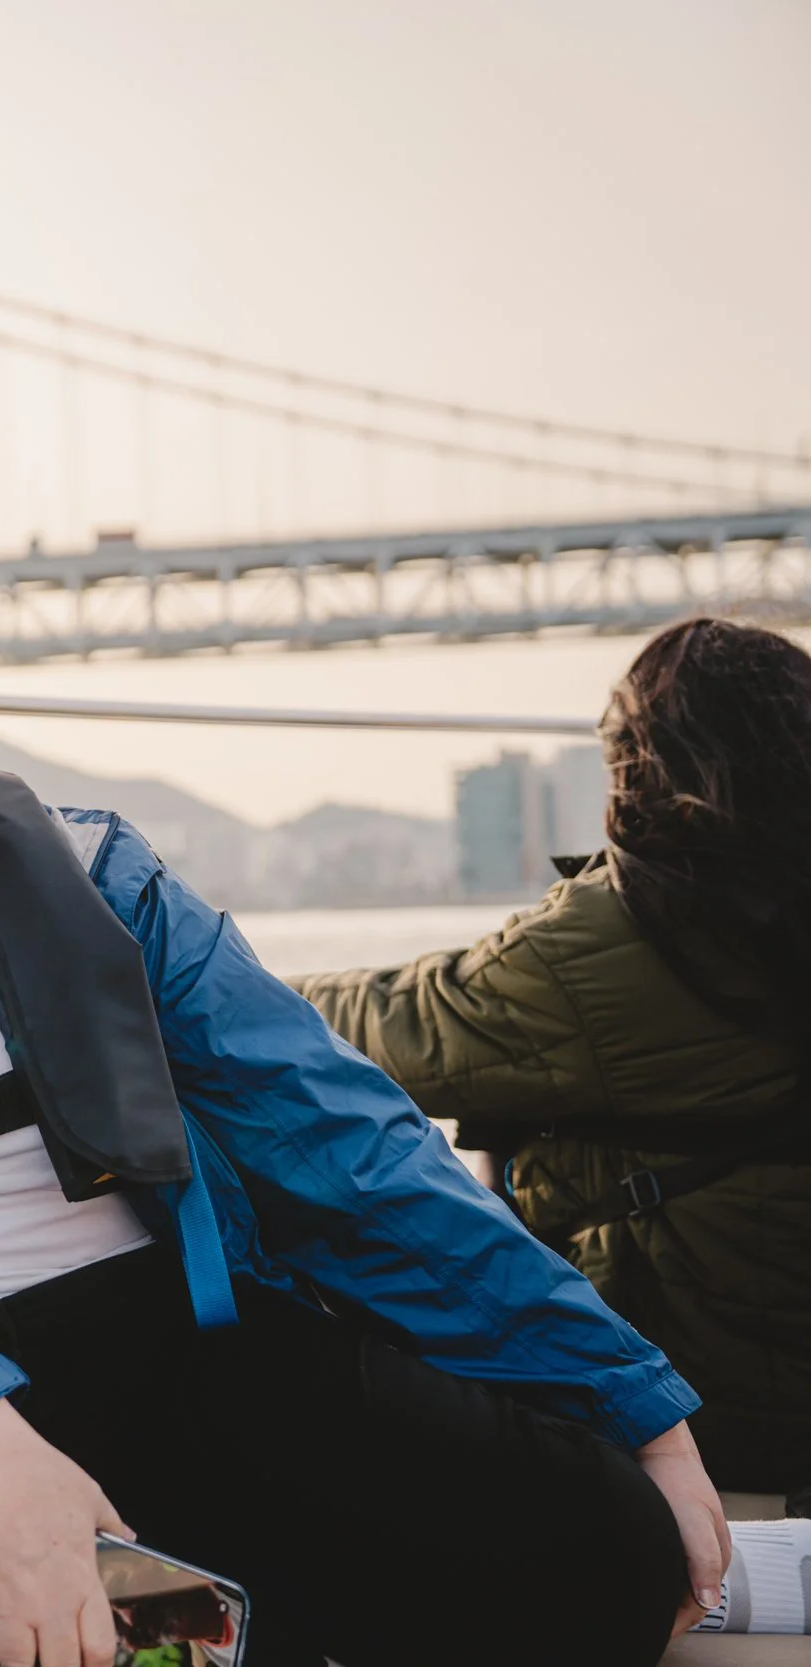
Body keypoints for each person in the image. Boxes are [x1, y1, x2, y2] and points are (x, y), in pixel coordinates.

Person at [0, 442, 729, 1667]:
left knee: (607, 1545)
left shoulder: (98, 872)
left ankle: (189, 1618)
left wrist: (627, 1399)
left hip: (161, 1352)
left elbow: (335, 1133)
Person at [294, 614, 811, 1502]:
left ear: (645, 764)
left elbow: (395, 1023)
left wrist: (194, 975)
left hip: (689, 1406)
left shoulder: (625, 936)